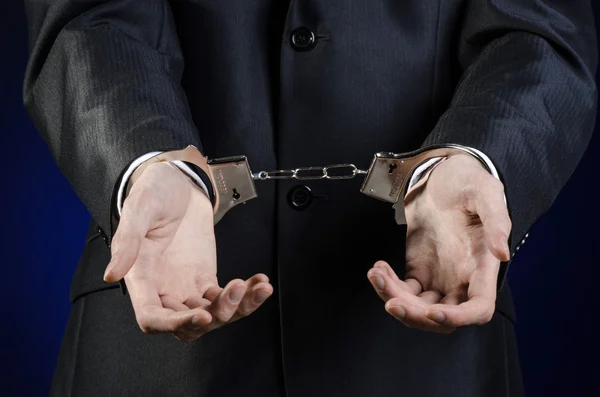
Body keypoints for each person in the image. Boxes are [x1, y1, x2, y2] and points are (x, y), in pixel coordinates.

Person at [23, 1, 597, 396]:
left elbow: (538, 34)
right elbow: (90, 19)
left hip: (428, 333)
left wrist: (477, 157)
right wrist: (146, 161)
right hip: (160, 343)